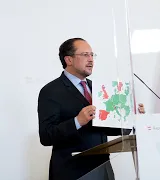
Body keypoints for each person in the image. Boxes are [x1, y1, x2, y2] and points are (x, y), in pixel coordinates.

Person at [37, 37, 145, 180]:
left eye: (92, 55)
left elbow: (108, 127)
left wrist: (130, 117)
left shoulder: (98, 89)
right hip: (72, 171)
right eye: (85, 55)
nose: (91, 59)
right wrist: (77, 121)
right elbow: (46, 136)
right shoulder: (51, 91)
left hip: (103, 169)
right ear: (68, 60)